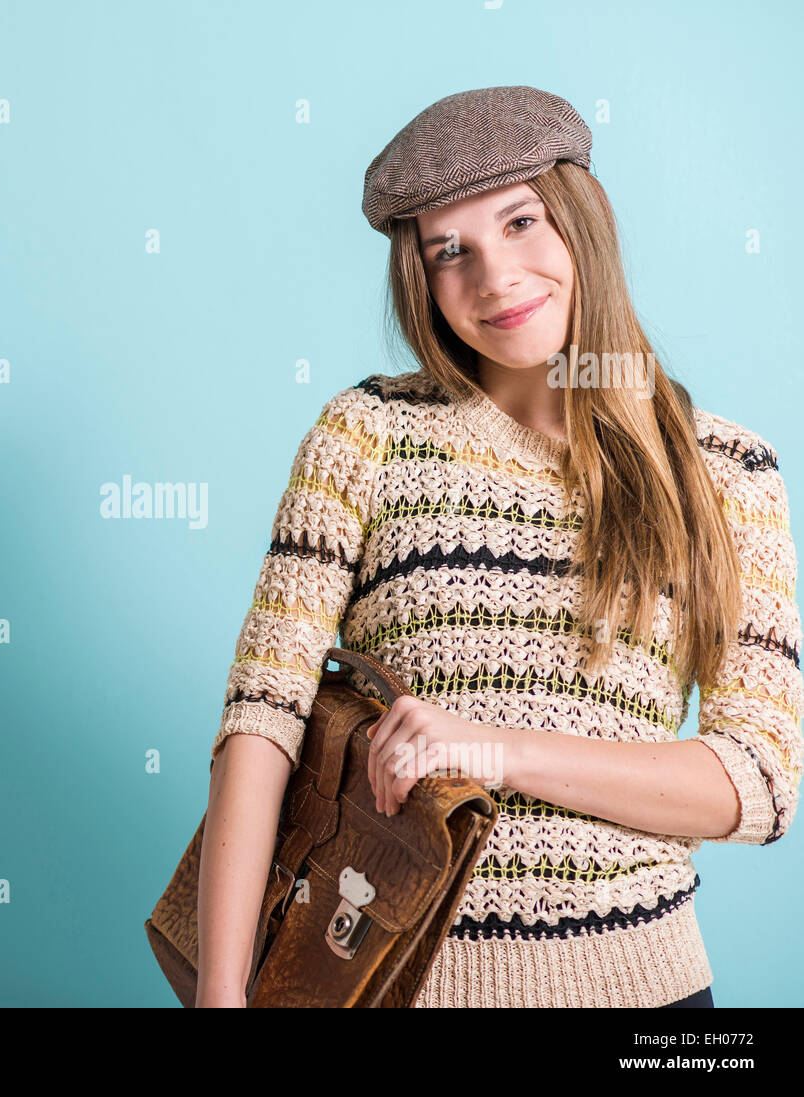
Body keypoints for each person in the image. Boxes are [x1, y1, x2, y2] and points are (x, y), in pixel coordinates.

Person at [195, 86, 803, 1008]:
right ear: (422, 278)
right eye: (453, 251)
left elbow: (754, 781)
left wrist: (490, 750)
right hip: (383, 983)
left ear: (580, 223)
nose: (496, 277)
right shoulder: (366, 434)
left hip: (653, 1004)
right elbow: (263, 718)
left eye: (522, 222)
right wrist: (221, 996)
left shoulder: (728, 469)